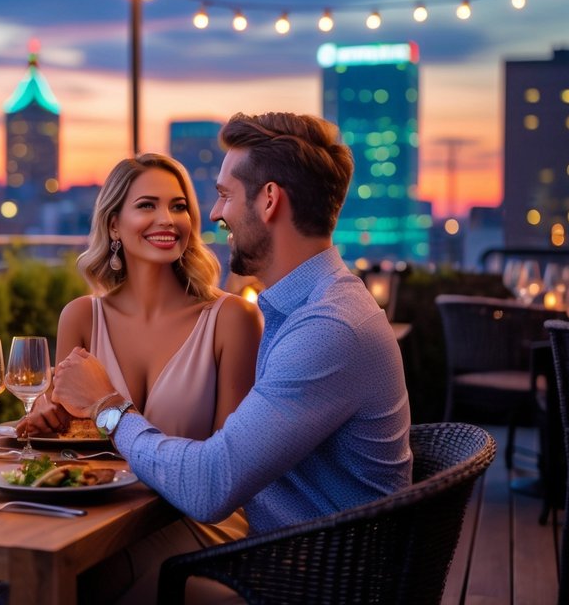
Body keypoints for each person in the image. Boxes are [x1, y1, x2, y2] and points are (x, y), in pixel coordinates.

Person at [53, 112, 411, 602]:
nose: (215, 215)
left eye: (224, 195)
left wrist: (108, 407)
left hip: (309, 581)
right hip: (288, 553)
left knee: (78, 580)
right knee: (51, 574)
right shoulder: (303, 307)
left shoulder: (329, 328)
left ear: (268, 200)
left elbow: (212, 484)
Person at [19, 152, 262, 448]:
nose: (167, 220)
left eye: (178, 207)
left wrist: (107, 406)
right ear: (113, 225)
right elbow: (70, 446)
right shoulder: (81, 317)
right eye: (147, 205)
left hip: (186, 496)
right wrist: (47, 418)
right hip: (97, 494)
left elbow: (230, 462)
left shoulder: (233, 318)